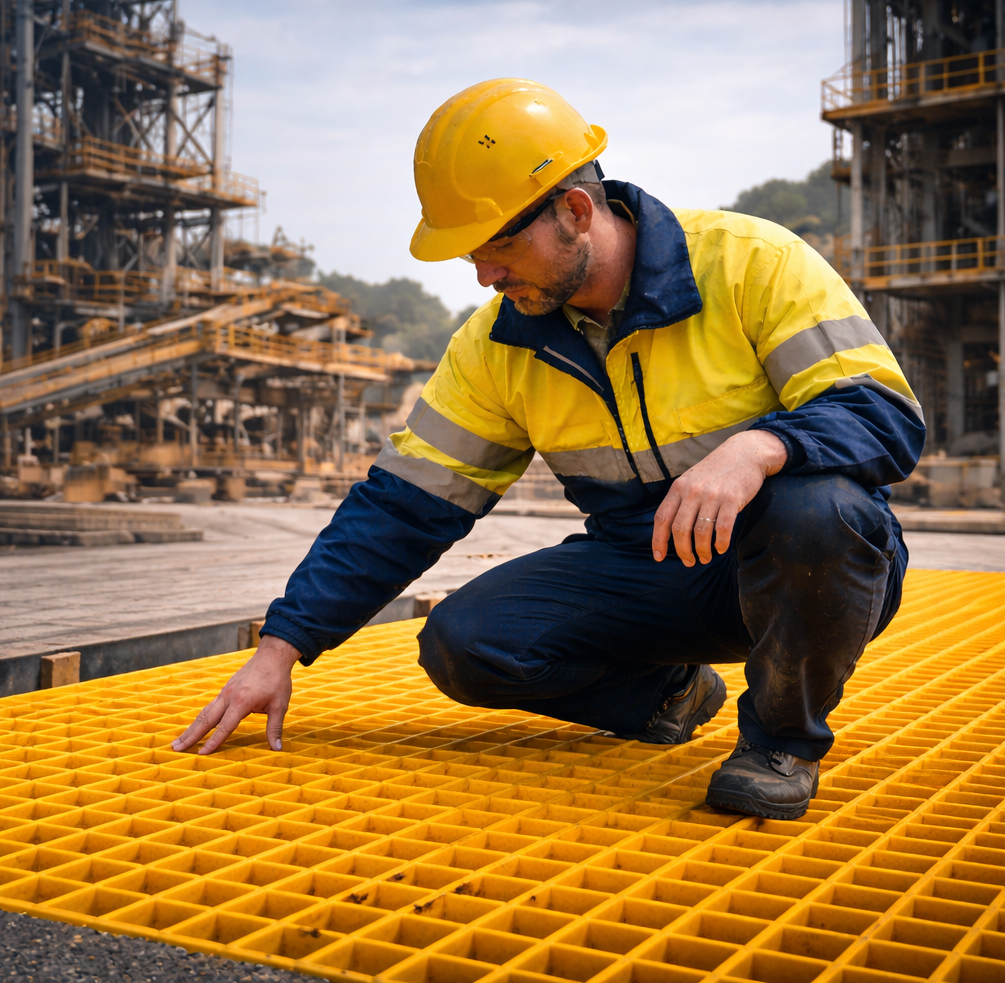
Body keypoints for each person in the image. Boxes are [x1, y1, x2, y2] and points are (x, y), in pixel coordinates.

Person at [171, 79, 923, 821]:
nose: (484, 275)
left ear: (575, 211)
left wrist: (761, 447)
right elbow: (404, 506)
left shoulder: (752, 263)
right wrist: (282, 646)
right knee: (464, 644)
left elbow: (883, 413)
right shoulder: (499, 342)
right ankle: (670, 694)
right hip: (652, 572)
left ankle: (780, 746)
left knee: (820, 507)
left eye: (498, 245)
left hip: (803, 571)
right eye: (473, 254)